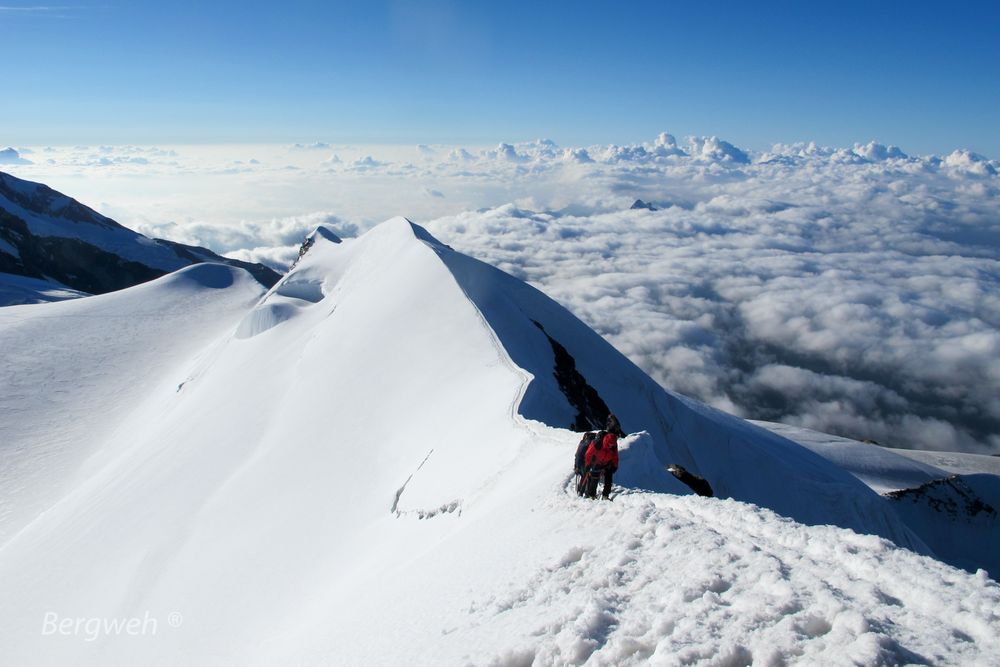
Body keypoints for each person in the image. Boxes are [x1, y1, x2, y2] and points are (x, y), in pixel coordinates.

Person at [584, 430, 619, 499]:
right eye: (609, 444)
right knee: (594, 478)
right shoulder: (597, 444)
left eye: (612, 445)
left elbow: (615, 456)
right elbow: (588, 454)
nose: (610, 446)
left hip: (607, 462)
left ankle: (605, 495)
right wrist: (587, 465)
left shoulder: (613, 446)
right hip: (597, 462)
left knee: (609, 479)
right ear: (606, 441)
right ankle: (592, 495)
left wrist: (615, 466)